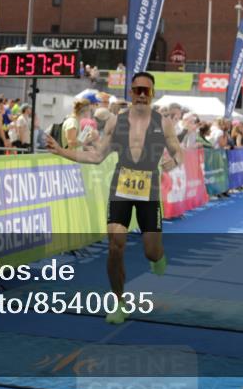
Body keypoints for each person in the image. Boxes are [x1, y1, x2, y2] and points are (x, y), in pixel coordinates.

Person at [46, 72, 183, 325]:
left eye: (146, 90)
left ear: (152, 93)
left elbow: (178, 152)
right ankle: (119, 302)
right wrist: (61, 151)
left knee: (151, 252)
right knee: (115, 246)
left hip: (149, 188)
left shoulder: (162, 123)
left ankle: (158, 258)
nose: (141, 94)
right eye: (137, 90)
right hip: (120, 186)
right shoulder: (115, 122)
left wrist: (172, 162)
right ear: (130, 92)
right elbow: (96, 156)